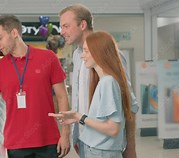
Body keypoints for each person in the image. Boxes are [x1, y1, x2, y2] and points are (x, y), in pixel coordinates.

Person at [0, 15, 70, 158]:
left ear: (14, 33)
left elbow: (62, 97)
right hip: (16, 144)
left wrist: (65, 134)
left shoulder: (48, 58)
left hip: (48, 141)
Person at [58, 4, 139, 158]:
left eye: (66, 26)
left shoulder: (111, 55)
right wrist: (73, 134)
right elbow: (78, 98)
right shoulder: (77, 55)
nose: (62, 32)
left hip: (103, 144)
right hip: (84, 140)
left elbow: (129, 103)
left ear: (82, 25)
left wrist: (130, 147)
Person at [49, 31, 132, 158]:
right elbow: (102, 121)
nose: (82, 56)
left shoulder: (107, 82)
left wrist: (80, 117)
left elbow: (112, 128)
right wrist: (77, 118)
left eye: (86, 51)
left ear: (99, 53)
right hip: (96, 150)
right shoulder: (104, 81)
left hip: (101, 152)